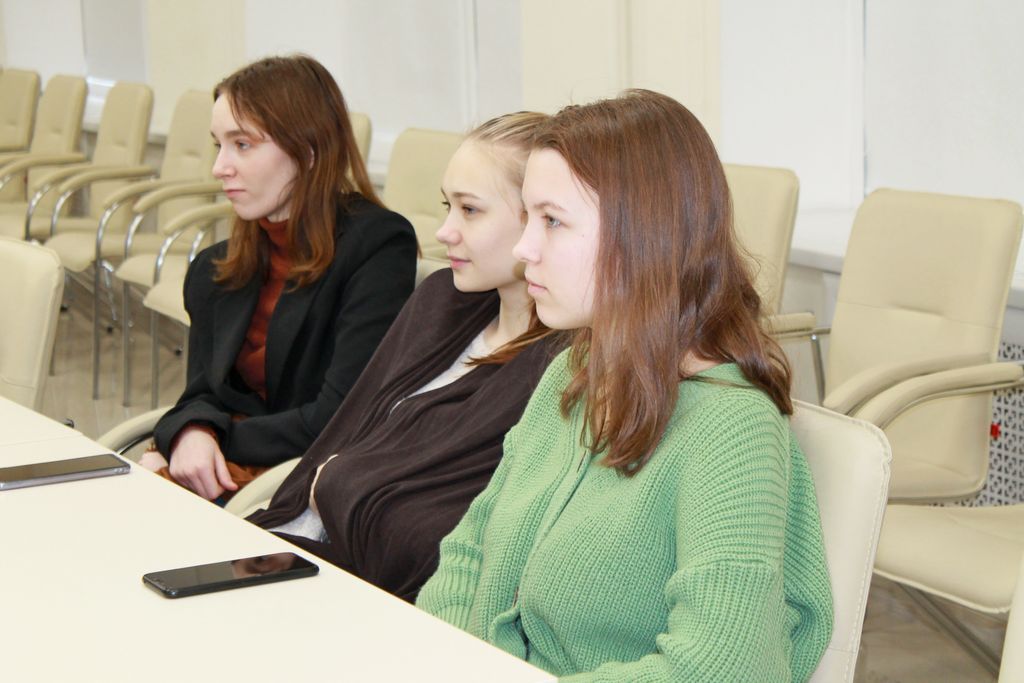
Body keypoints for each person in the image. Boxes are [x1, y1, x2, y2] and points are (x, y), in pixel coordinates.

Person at [416, 90, 834, 682]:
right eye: (528, 217)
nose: (524, 248)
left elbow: (725, 668)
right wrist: (449, 658)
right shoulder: (575, 371)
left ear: (644, 239)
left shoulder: (731, 430)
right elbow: (469, 549)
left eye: (552, 221)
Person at [246, 112, 561, 602]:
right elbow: (338, 441)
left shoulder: (555, 369)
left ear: (541, 222)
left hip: (364, 597)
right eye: (448, 206)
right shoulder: (441, 300)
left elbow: (427, 541)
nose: (445, 231)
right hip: (282, 543)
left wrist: (343, 485)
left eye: (470, 210)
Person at [141, 55, 417, 501]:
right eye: (218, 145)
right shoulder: (215, 269)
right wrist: (191, 431)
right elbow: (202, 393)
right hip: (240, 475)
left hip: (311, 485)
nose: (220, 167)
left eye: (242, 144)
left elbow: (338, 416)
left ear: (307, 150)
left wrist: (209, 437)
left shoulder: (377, 246)